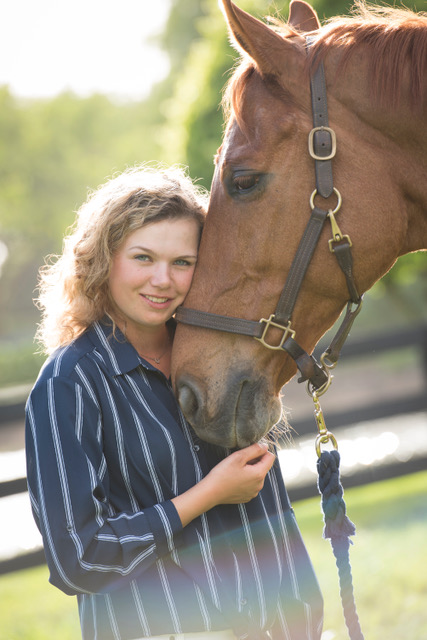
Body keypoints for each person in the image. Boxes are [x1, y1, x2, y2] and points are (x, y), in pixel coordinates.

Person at [25, 164, 323, 640]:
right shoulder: (70, 382)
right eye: (143, 257)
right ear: (102, 260)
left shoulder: (222, 360)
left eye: (183, 262)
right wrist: (207, 494)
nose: (163, 279)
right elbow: (77, 559)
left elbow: (272, 511)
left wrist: (304, 614)